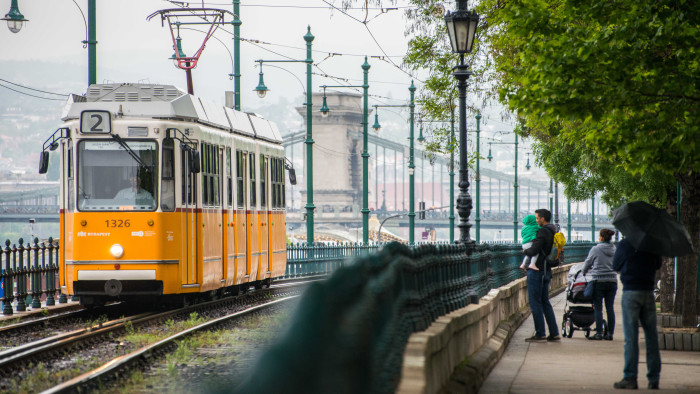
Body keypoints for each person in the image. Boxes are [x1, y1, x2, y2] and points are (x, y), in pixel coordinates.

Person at [612, 238, 662, 390]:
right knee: (651, 336)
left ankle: (630, 377)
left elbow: (616, 265)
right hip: (648, 292)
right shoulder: (652, 243)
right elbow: (658, 264)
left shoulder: (626, 243)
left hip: (630, 292)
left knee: (631, 337)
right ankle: (654, 378)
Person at [523, 208, 560, 342]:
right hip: (547, 270)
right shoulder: (553, 230)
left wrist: (526, 252)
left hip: (537, 270)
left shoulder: (543, 231)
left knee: (535, 303)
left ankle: (540, 333)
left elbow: (535, 249)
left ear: (542, 218)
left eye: (537, 218)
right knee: (545, 302)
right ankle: (554, 332)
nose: (537, 220)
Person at [581, 228, 618, 340]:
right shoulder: (615, 249)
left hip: (599, 281)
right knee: (610, 308)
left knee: (598, 307)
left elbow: (587, 263)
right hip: (612, 281)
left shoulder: (595, 249)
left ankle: (598, 333)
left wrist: (583, 272)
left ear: (601, 237)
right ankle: (610, 334)